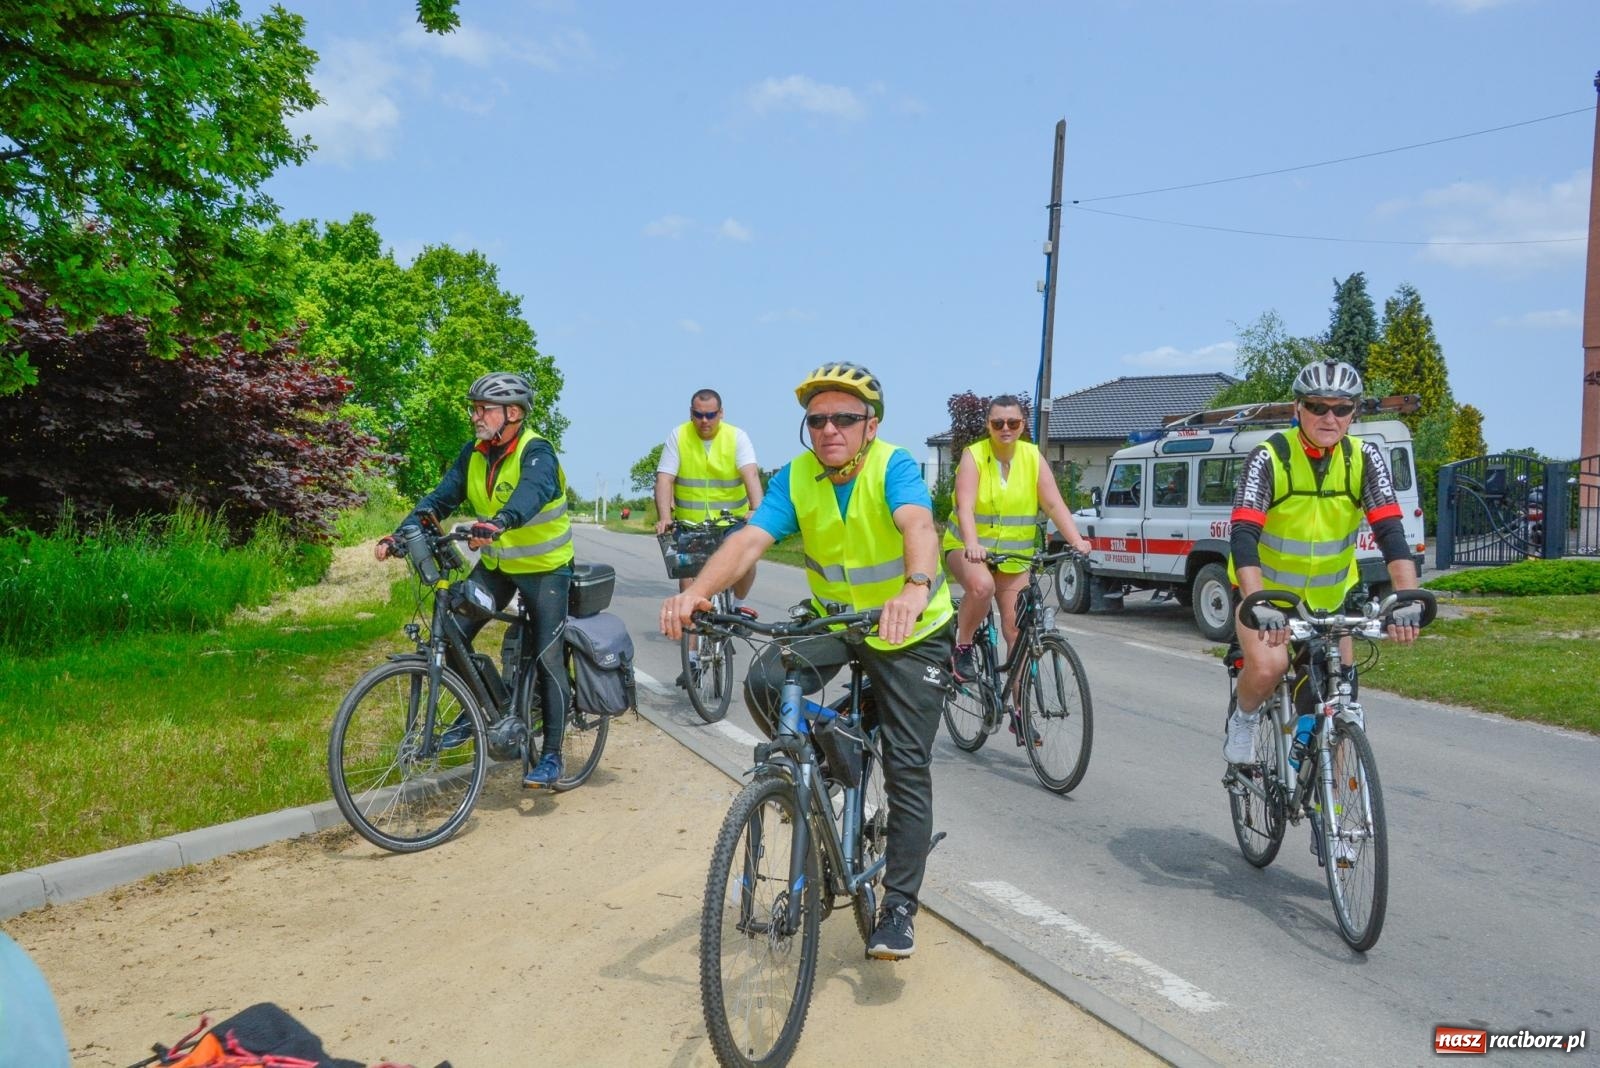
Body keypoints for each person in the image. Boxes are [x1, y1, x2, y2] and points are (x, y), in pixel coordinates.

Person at [660, 362, 954, 961]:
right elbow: (749, 539)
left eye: (844, 417)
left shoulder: (892, 467)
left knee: (905, 764)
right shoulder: (797, 477)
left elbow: (918, 525)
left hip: (909, 630)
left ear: (870, 426)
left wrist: (915, 586)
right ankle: (827, 770)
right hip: (838, 624)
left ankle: (899, 906)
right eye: (817, 419)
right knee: (767, 681)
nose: (828, 429)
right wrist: (696, 592)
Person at [1222, 359, 1423, 772]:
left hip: (1331, 598)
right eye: (1317, 406)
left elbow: (1391, 533)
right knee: (1270, 665)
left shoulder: (1365, 458)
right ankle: (1242, 720)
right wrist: (1258, 601)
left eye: (1342, 408)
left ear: (1355, 412)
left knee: (1342, 702)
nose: (1329, 417)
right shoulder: (1270, 456)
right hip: (1267, 593)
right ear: (1299, 408)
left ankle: (1333, 815)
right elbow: (1243, 535)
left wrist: (1407, 598)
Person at [375, 371, 574, 789]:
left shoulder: (538, 453)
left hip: (546, 571)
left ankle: (553, 755)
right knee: (454, 631)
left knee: (547, 654)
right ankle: (479, 708)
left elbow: (531, 494)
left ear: (513, 413)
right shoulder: (474, 454)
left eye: (485, 409)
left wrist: (500, 521)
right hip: (499, 568)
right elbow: (439, 500)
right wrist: (401, 533)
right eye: (476, 408)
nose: (476, 416)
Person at [943, 395, 1091, 744]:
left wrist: (1077, 541)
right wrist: (972, 542)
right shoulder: (975, 455)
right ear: (988, 426)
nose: (1006, 429)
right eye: (998, 423)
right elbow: (965, 507)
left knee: (1016, 632)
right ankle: (962, 647)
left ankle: (1021, 713)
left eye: (1013, 423)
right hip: (968, 549)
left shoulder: (1031, 457)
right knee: (980, 588)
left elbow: (1053, 503)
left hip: (1015, 557)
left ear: (1023, 425)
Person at [653, 388, 764, 684]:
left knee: (746, 560)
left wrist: (757, 509)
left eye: (710, 415)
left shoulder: (736, 437)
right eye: (698, 415)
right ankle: (691, 662)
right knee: (689, 588)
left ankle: (737, 606)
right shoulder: (679, 436)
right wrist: (665, 516)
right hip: (691, 523)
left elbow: (750, 475)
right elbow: (665, 479)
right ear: (691, 413)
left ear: (721, 413)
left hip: (731, 522)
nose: (704, 421)